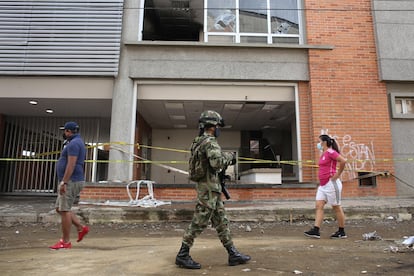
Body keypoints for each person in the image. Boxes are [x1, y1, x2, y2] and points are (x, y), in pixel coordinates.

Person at [175, 110, 251, 269]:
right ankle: (182, 255)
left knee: (221, 221)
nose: (218, 129)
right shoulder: (210, 142)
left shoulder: (198, 141)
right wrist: (230, 157)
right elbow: (217, 163)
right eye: (217, 126)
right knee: (199, 221)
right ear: (212, 126)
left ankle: (233, 254)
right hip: (208, 190)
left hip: (211, 189)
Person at [49, 121, 89, 249]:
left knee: (65, 210)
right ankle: (80, 228)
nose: (64, 133)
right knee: (59, 208)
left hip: (71, 180)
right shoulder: (76, 142)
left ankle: (65, 242)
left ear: (68, 131)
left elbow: (71, 164)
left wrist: (64, 182)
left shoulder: (73, 145)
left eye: (65, 131)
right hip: (72, 179)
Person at [304, 134, 347, 239]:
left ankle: (341, 231)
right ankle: (316, 230)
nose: (318, 144)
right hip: (323, 185)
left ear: (323, 142)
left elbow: (343, 161)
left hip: (331, 184)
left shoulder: (331, 152)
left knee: (336, 206)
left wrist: (337, 175)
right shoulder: (324, 153)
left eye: (319, 142)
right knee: (319, 205)